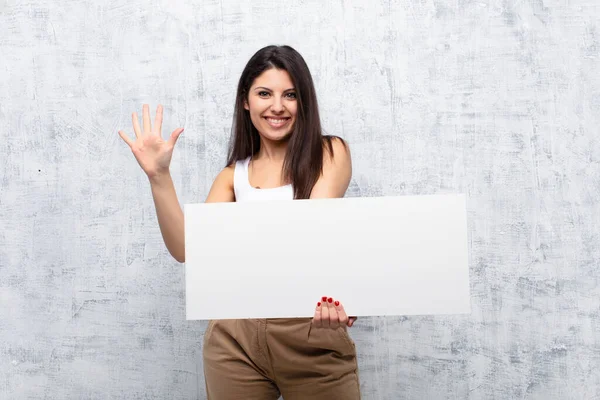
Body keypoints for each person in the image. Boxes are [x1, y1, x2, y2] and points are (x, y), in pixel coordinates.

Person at [118, 45, 361, 399]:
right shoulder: (233, 176)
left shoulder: (329, 152)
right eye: (264, 93)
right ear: (246, 101)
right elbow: (188, 249)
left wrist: (339, 292)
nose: (277, 106)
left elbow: (309, 234)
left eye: (290, 95)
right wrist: (159, 177)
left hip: (310, 331)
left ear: (303, 102)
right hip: (235, 339)